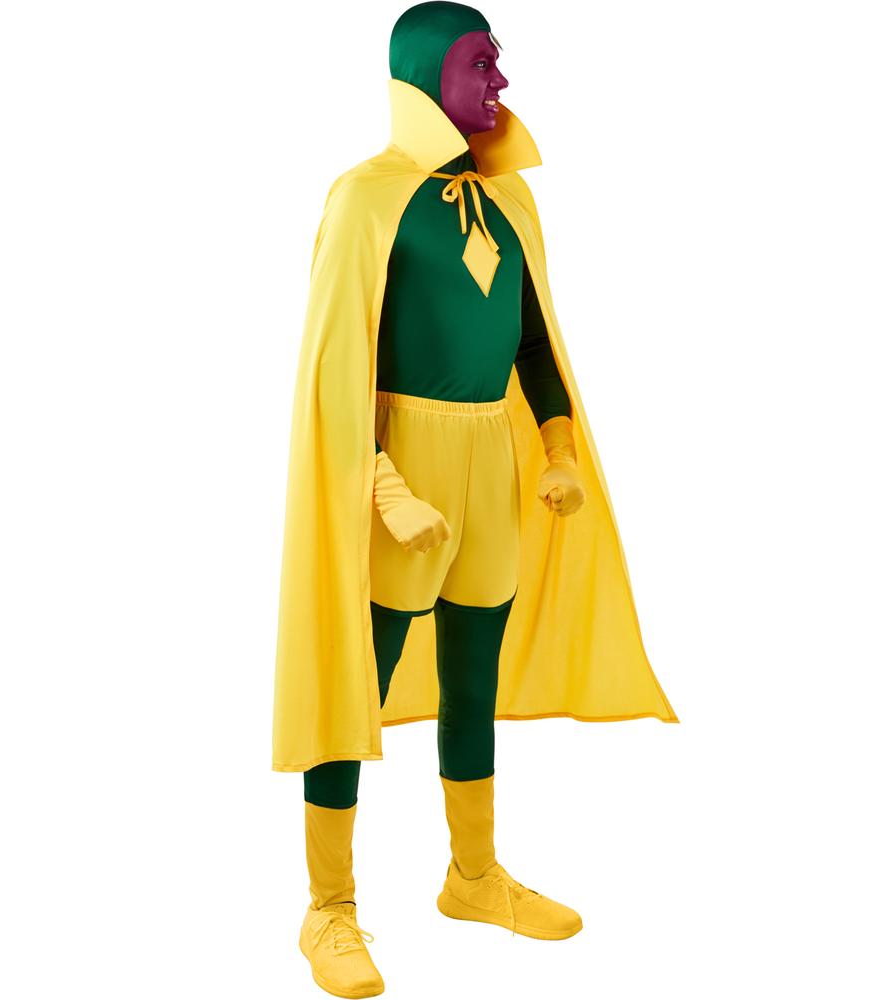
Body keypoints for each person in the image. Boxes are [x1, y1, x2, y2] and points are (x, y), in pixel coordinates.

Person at [272, 4, 677, 995]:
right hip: (400, 469)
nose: (498, 81)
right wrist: (382, 486)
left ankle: (473, 874)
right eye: (479, 62)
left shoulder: (508, 201)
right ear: (424, 76)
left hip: (492, 466)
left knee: (473, 674)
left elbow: (535, 342)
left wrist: (557, 446)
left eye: (497, 61)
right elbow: (337, 368)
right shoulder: (366, 200)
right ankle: (329, 907)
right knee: (352, 683)